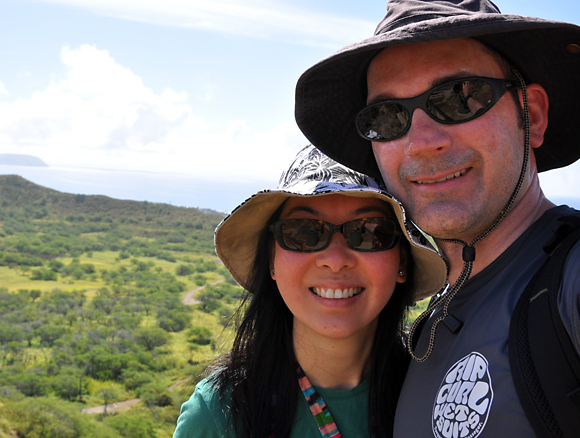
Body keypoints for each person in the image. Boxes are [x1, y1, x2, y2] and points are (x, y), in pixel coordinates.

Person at [294, 0, 580, 437]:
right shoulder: (427, 334)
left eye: (461, 95)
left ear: (533, 115)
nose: (424, 142)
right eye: (388, 117)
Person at [173, 145, 447, 437]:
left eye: (368, 232)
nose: (335, 260)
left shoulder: (442, 391)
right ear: (272, 261)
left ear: (401, 261)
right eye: (303, 232)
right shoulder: (219, 414)